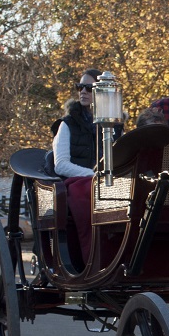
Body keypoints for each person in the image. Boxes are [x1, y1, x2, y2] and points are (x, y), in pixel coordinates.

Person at [51, 68, 101, 265]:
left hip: (104, 181)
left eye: (89, 88)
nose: (83, 92)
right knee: (87, 196)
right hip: (76, 183)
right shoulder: (67, 124)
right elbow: (61, 165)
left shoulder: (114, 125)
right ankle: (91, 259)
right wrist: (93, 174)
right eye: (80, 87)